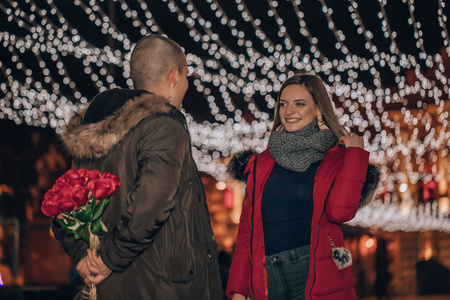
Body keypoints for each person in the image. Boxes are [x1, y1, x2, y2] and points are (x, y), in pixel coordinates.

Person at [52, 35, 223, 299]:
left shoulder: (94, 130)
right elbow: (151, 204)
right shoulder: (165, 126)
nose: (187, 84)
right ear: (174, 76)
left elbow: (64, 208)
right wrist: (109, 260)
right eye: (187, 75)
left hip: (112, 288)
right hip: (168, 287)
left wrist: (83, 258)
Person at [226, 73, 379, 300]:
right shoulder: (261, 163)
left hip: (313, 274)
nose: (289, 112)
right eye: (283, 104)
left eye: (299, 104)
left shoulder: (334, 158)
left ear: (319, 109)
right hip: (267, 279)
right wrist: (238, 290)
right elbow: (247, 232)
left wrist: (355, 155)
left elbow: (340, 211)